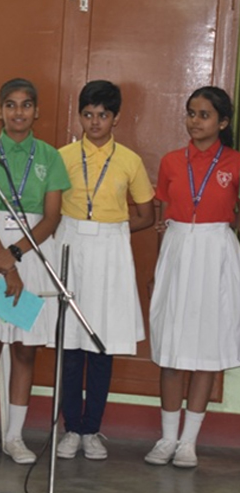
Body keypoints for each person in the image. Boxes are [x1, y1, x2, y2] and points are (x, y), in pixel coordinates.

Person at [0, 78, 70, 465]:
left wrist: (16, 254)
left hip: (32, 254)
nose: (18, 112)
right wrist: (3, 261)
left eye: (25, 105)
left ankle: (15, 437)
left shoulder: (49, 156)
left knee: (24, 350)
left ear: (36, 111)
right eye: (10, 104)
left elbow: (51, 217)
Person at [55, 80, 155, 461]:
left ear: (116, 118)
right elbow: (50, 207)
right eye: (88, 114)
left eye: (103, 115)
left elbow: (146, 214)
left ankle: (91, 428)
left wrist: (112, 230)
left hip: (111, 248)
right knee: (70, 342)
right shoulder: (63, 156)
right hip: (70, 242)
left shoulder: (129, 160)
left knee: (102, 343)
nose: (95, 122)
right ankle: (71, 428)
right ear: (80, 117)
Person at [145, 86, 240, 468]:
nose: (195, 121)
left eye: (204, 115)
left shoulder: (234, 162)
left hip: (216, 253)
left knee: (206, 349)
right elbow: (163, 215)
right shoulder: (172, 161)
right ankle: (167, 438)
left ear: (223, 122)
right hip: (178, 250)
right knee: (171, 348)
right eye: (191, 113)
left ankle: (188, 442)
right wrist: (158, 270)